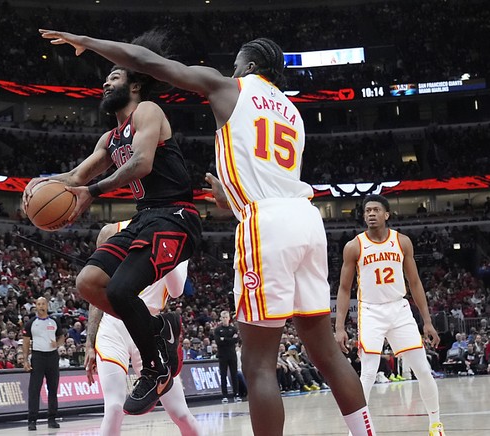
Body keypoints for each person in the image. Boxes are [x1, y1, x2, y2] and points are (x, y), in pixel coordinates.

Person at [39, 28, 375, 436]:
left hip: (262, 222)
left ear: (249, 67)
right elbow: (271, 176)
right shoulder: (292, 112)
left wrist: (87, 42)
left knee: (258, 364)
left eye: (236, 63)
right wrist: (230, 196)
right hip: (306, 220)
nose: (229, 69)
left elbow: (147, 62)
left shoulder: (227, 87)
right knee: (326, 354)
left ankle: (158, 351)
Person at [29, 31, 202, 416]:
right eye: (106, 77)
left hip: (176, 217)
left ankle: (155, 367)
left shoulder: (148, 111)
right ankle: (160, 329)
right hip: (146, 219)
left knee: (122, 289)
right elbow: (74, 177)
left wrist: (93, 191)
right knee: (88, 282)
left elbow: (141, 163)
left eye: (115, 76)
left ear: (135, 83)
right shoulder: (110, 137)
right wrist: (42, 184)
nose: (106, 82)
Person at [335, 194, 445, 436]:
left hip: (399, 308)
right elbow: (344, 288)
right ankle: (360, 431)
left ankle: (436, 424)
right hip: (371, 311)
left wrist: (427, 321)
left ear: (386, 214)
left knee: (423, 370)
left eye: (375, 210)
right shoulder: (354, 246)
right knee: (368, 373)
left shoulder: (402, 241)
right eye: (367, 211)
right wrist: (339, 327)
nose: (371, 214)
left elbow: (414, 282)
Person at [84, 221, 199, 436]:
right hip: (113, 326)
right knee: (114, 407)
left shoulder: (181, 241)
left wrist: (166, 248)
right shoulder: (112, 231)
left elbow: (175, 291)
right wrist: (89, 343)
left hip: (148, 327)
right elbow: (96, 288)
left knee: (180, 413)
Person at [22, 297, 65, 431]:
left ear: (47, 305)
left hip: (52, 356)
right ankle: (32, 420)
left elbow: (62, 337)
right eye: (39, 304)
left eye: (43, 304)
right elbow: (26, 342)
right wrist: (25, 359)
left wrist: (57, 344)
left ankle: (52, 418)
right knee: (34, 389)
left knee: (53, 388)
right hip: (37, 356)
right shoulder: (31, 323)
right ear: (35, 306)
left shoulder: (54, 321)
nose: (41, 306)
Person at [214, 310, 240, 403]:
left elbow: (236, 340)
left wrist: (224, 339)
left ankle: (236, 394)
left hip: (232, 355)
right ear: (221, 318)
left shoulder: (233, 329)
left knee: (234, 375)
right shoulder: (217, 330)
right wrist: (230, 339)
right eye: (223, 317)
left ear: (229, 318)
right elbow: (218, 342)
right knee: (223, 375)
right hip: (222, 355)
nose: (225, 319)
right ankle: (224, 395)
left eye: (226, 317)